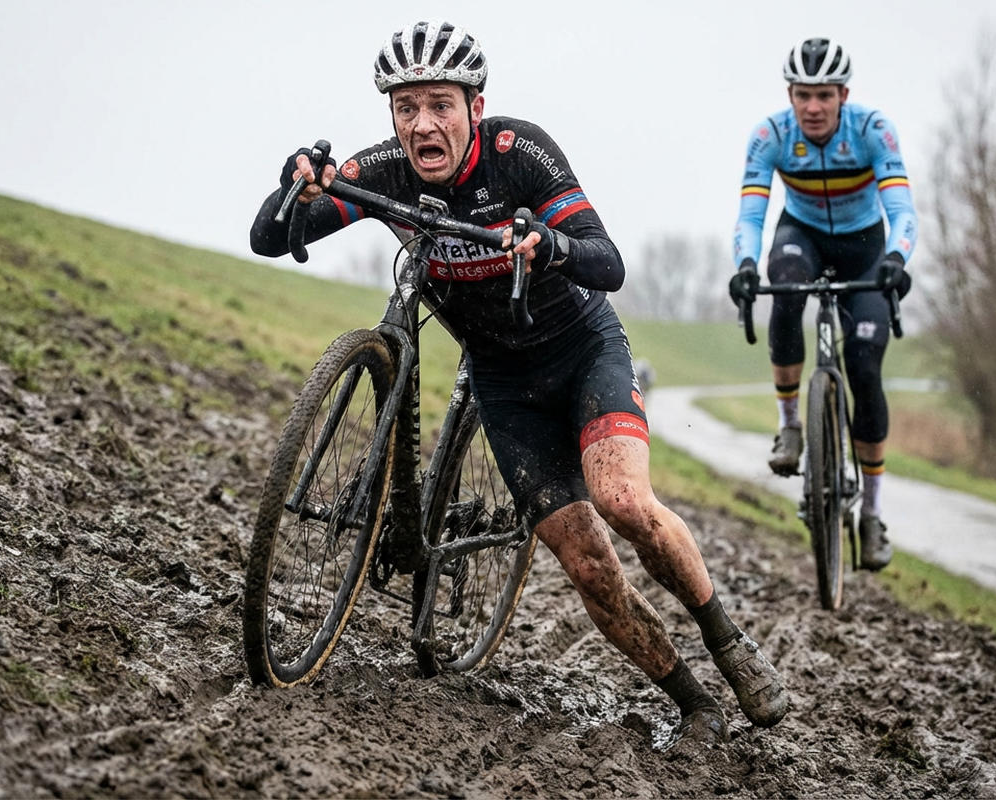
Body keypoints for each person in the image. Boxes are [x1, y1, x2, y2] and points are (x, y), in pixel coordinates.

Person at [252, 20, 788, 741]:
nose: (422, 124)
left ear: (475, 107)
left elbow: (609, 262)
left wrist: (551, 243)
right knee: (589, 564)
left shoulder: (519, 154)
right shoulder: (383, 169)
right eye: (406, 108)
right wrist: (298, 185)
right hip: (501, 381)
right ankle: (694, 703)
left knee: (623, 501)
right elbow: (269, 236)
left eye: (440, 104)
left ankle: (725, 638)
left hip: (581, 350)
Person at [727, 38, 917, 571]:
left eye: (824, 96)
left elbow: (902, 209)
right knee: (783, 286)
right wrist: (744, 264)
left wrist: (897, 259)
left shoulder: (873, 130)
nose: (813, 107)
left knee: (863, 369)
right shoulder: (771, 135)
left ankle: (872, 515)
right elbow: (751, 216)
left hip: (865, 249)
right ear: (790, 95)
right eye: (803, 95)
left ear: (843, 95)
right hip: (802, 235)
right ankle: (791, 425)